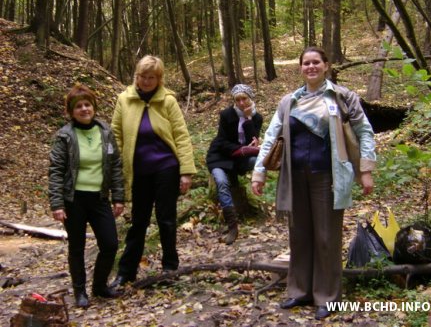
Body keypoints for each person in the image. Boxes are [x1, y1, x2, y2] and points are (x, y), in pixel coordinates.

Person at [251, 46, 376, 320]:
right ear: (300, 68)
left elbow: (365, 132)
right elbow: (271, 136)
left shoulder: (343, 97)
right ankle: (298, 291)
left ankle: (328, 297)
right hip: (294, 177)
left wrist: (365, 170)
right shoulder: (289, 102)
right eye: (305, 63)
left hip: (329, 177)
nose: (311, 67)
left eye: (316, 62)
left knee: (326, 236)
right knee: (299, 235)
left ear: (326, 65)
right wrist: (259, 172)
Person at [111, 55, 196, 287]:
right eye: (142, 76)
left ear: (159, 79)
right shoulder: (124, 100)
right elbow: (115, 134)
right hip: (138, 171)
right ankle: (126, 272)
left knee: (166, 219)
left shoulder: (167, 101)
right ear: (136, 76)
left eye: (151, 77)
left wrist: (186, 171)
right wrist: (115, 169)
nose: (146, 81)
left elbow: (181, 135)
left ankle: (170, 267)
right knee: (139, 221)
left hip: (166, 167)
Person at [48, 84, 125, 308]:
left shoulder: (105, 132)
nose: (84, 109)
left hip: (99, 198)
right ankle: (80, 292)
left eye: (87, 105)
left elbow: (116, 167)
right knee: (77, 247)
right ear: (71, 111)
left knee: (110, 244)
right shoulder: (64, 136)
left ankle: (99, 286)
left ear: (94, 107)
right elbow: (55, 171)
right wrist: (57, 204)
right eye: (78, 106)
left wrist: (118, 197)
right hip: (74, 200)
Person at [206, 84, 263, 244]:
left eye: (244, 98)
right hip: (220, 156)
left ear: (250, 99)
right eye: (237, 100)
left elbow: (253, 139)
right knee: (222, 183)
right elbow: (222, 141)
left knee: (257, 161)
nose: (241, 103)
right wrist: (241, 148)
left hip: (239, 159)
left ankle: (244, 180)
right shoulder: (226, 115)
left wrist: (248, 118)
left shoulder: (257, 118)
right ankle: (232, 226)